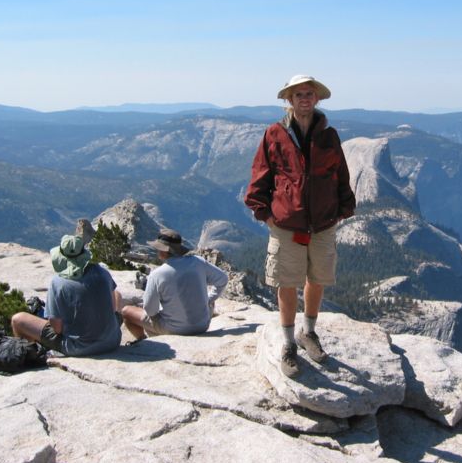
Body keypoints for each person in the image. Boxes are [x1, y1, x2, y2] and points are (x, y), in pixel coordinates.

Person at [245, 74, 356, 377]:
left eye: (309, 94)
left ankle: (309, 332)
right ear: (289, 100)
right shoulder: (274, 134)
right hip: (286, 224)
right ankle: (288, 344)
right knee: (286, 282)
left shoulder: (328, 136)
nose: (304, 99)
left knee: (316, 278)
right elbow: (260, 176)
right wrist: (267, 215)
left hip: (322, 224)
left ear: (316, 99)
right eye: (298, 95)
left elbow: (340, 175)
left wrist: (344, 208)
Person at [11, 234, 122, 356]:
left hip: (78, 347)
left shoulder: (58, 283)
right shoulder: (102, 272)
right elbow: (112, 309)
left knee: (18, 319)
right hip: (112, 341)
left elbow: (57, 329)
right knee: (116, 293)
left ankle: (29, 356)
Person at [121, 228, 228, 340]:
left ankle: (143, 341)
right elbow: (222, 279)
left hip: (175, 330)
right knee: (209, 302)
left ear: (164, 251)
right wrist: (208, 300)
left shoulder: (157, 274)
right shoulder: (198, 262)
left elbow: (150, 310)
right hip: (202, 325)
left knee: (126, 312)